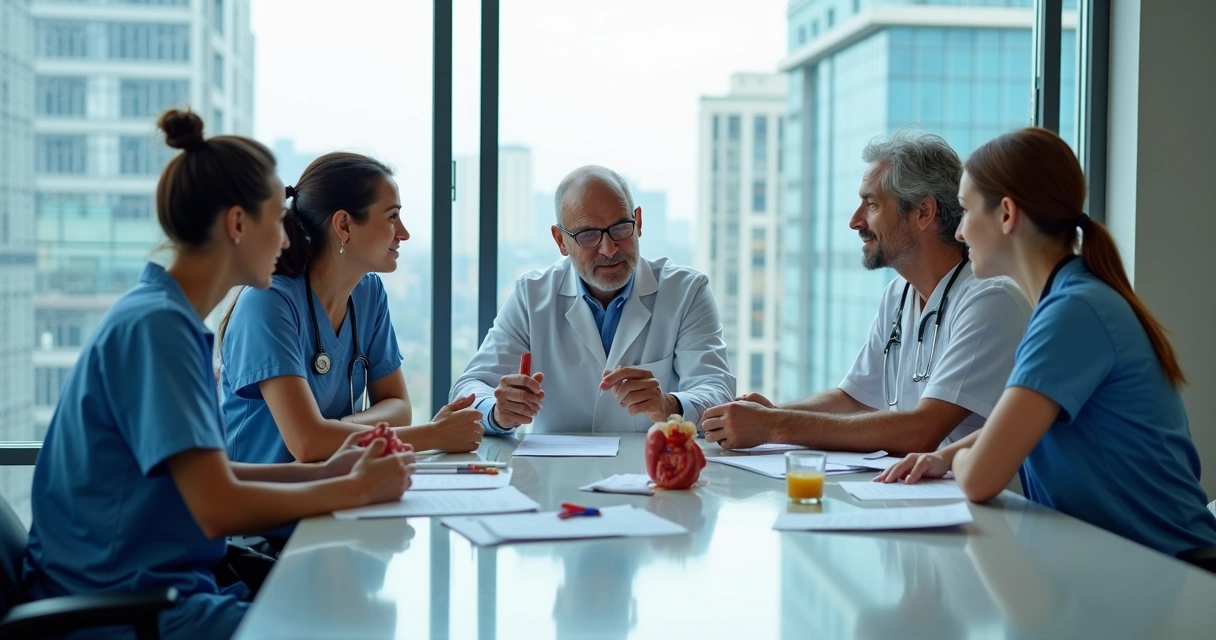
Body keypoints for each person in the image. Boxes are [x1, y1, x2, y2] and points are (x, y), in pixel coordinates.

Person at [21, 110, 416, 640]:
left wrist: (334, 472)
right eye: (278, 221)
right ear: (237, 225)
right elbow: (217, 508)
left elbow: (218, 479)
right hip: (121, 605)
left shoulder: (168, 319)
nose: (287, 240)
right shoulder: (157, 330)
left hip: (171, 586)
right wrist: (352, 491)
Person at [877, 127, 1216, 558]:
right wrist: (948, 455)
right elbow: (1022, 425)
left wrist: (959, 461)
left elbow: (980, 479)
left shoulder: (1073, 313)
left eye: (964, 212)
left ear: (1006, 214)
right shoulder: (1069, 300)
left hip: (1169, 570)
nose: (959, 232)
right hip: (1120, 562)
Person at [702, 129, 1031, 454]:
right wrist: (771, 413)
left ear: (924, 212)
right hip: (923, 494)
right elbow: (854, 399)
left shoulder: (990, 300)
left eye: (871, 204)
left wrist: (774, 426)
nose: (855, 221)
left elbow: (921, 431)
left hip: (987, 504)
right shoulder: (898, 294)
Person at [220, 152, 482, 465]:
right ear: (344, 224)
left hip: (337, 489)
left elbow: (398, 406)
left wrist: (338, 430)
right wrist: (435, 435)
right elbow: (307, 443)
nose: (404, 233)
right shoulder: (267, 304)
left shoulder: (368, 293)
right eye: (391, 217)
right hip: (269, 504)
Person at [450, 165, 734, 433]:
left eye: (621, 228)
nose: (609, 249)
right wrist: (497, 412)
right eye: (588, 235)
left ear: (639, 223)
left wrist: (668, 405)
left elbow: (717, 391)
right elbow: (469, 388)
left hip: (652, 474)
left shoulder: (686, 291)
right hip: (552, 478)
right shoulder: (531, 296)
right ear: (561, 241)